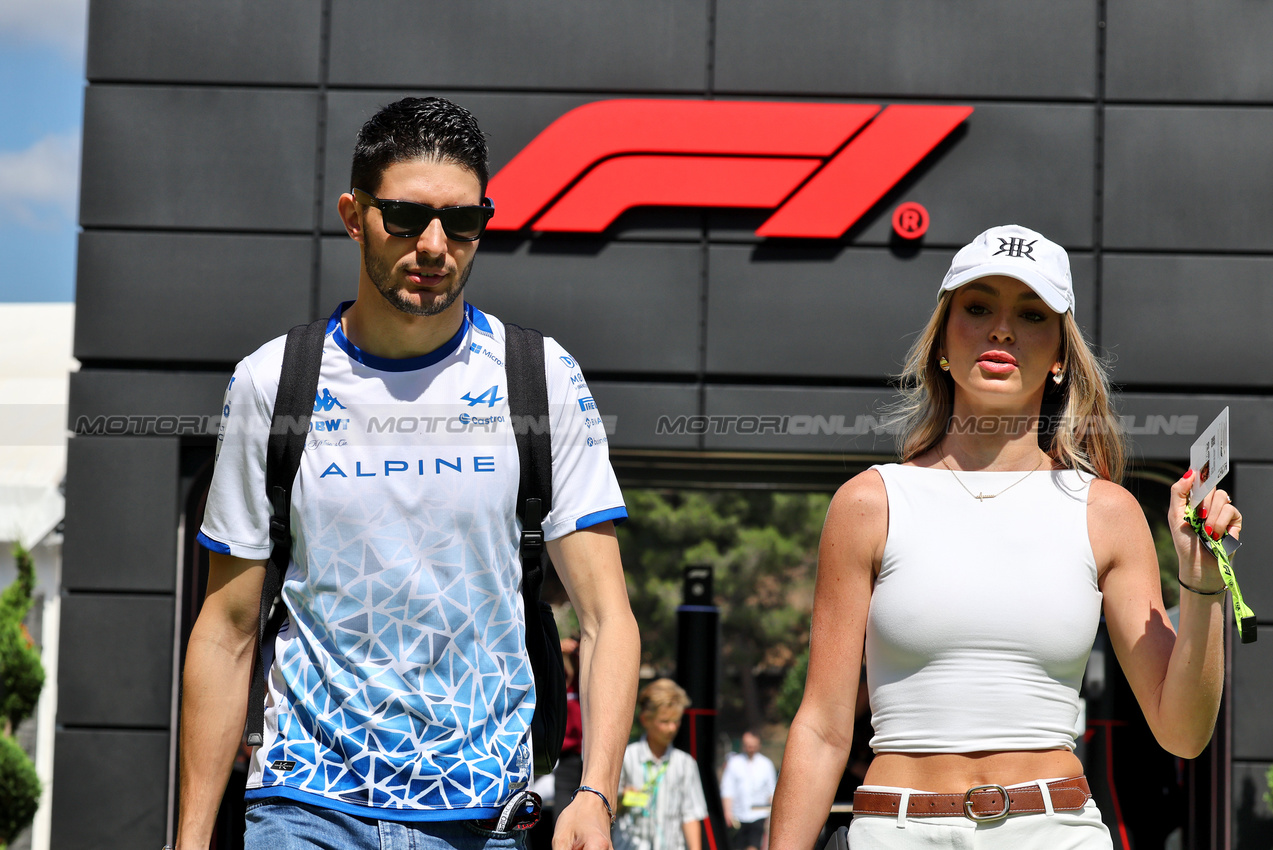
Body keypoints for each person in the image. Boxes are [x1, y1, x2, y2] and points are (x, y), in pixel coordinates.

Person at [174, 97, 641, 850]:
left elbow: (607, 618)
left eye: (461, 223)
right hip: (304, 805)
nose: (434, 244)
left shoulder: (540, 377)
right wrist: (191, 839)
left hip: (485, 815)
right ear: (353, 215)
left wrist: (595, 793)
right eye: (405, 217)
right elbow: (227, 628)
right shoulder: (273, 382)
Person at [768, 225, 1239, 849]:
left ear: (1061, 354)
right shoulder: (869, 503)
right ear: (943, 338)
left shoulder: (1106, 512)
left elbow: (1182, 732)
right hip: (896, 830)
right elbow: (823, 727)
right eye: (979, 306)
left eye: (1031, 313)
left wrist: (1203, 587)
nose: (1002, 330)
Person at [612, 679, 708, 850]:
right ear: (645, 720)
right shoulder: (626, 757)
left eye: (676, 721)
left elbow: (690, 815)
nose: (672, 728)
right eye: (664, 721)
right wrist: (622, 797)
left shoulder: (685, 763)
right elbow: (608, 809)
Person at [720, 731, 777, 850]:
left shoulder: (766, 764)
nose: (750, 748)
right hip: (738, 816)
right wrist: (727, 812)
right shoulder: (734, 763)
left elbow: (771, 791)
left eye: (753, 746)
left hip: (758, 815)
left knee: (753, 846)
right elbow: (727, 790)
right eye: (748, 745)